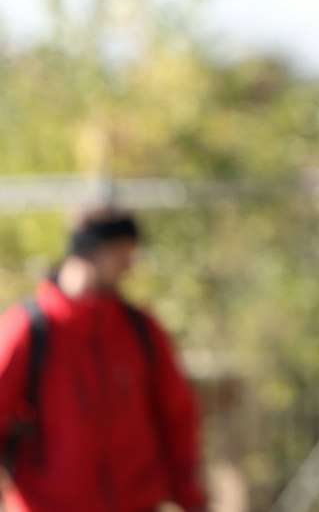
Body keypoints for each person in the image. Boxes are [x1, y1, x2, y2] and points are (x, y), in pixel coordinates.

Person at [0, 208, 206, 512]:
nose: (129, 266)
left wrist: (191, 497)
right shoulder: (29, 328)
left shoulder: (140, 330)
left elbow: (176, 416)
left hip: (135, 504)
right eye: (121, 254)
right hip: (47, 504)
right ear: (89, 251)